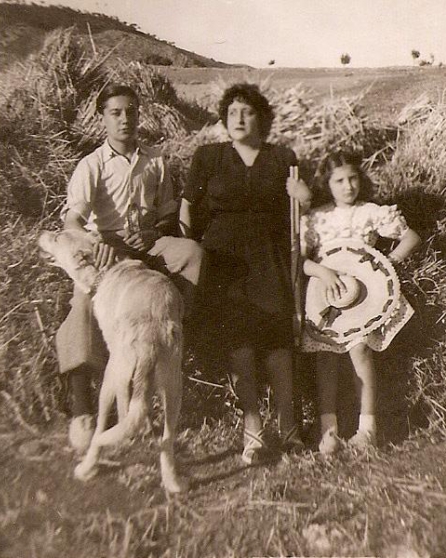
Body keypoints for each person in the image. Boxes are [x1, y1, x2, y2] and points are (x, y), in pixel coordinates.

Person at [56, 83, 203, 452]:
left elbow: (168, 215)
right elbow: (72, 222)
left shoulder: (155, 160)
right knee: (83, 303)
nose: (125, 119)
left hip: (149, 242)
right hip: (109, 248)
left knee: (192, 254)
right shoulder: (92, 165)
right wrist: (97, 245)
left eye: (131, 111)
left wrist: (171, 240)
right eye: (116, 112)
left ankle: (168, 340)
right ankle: (81, 407)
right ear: (103, 118)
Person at [179, 83, 311, 464]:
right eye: (233, 111)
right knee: (239, 346)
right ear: (223, 118)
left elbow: (301, 210)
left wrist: (304, 195)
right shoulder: (209, 157)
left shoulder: (282, 157)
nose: (239, 118)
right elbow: (188, 206)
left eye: (248, 111)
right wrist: (191, 249)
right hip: (224, 259)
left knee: (277, 344)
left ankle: (289, 429)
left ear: (262, 118)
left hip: (269, 257)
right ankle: (252, 431)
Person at [300, 151, 421, 454]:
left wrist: (385, 265)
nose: (348, 186)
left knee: (360, 350)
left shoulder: (370, 212)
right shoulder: (316, 218)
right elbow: (298, 260)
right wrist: (321, 271)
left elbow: (411, 238)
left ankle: (367, 430)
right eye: (339, 181)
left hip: (362, 297)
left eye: (353, 178)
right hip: (326, 295)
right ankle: (329, 431)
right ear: (326, 185)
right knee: (325, 357)